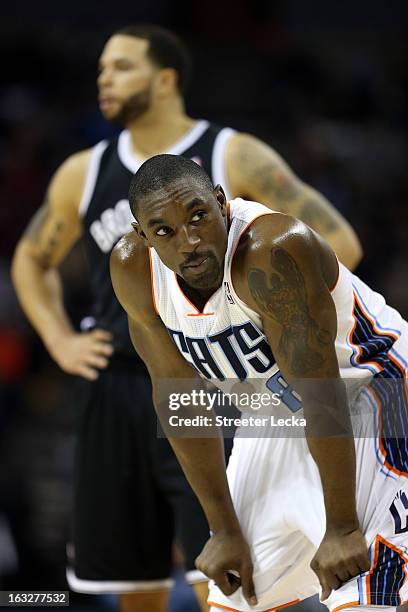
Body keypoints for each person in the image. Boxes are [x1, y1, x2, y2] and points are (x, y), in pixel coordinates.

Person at [12, 24, 362, 612]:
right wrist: (58, 337)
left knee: (238, 576)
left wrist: (267, 325)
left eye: (121, 66)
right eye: (100, 68)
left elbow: (338, 244)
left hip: (236, 376)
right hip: (131, 377)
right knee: (134, 580)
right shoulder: (85, 169)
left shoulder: (234, 153)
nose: (104, 78)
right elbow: (30, 256)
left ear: (166, 77)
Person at [110, 153, 408, 612]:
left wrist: (342, 526)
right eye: (164, 230)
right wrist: (223, 528)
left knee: (366, 595)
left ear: (221, 203)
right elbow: (182, 403)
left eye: (198, 216)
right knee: (235, 595)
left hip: (371, 394)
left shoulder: (271, 250)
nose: (189, 241)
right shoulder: (133, 270)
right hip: (273, 413)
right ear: (142, 236)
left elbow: (322, 391)